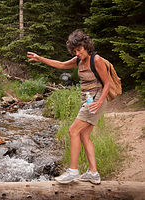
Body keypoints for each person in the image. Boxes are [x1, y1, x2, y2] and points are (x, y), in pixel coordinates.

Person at [27, 29, 109, 185]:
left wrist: (99, 102)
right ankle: (93, 173)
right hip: (88, 101)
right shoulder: (79, 60)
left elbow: (107, 84)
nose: (77, 53)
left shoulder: (96, 60)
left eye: (79, 50)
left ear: (86, 46)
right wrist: (40, 59)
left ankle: (73, 170)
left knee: (73, 131)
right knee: (84, 136)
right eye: (74, 51)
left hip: (95, 102)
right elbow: (61, 65)